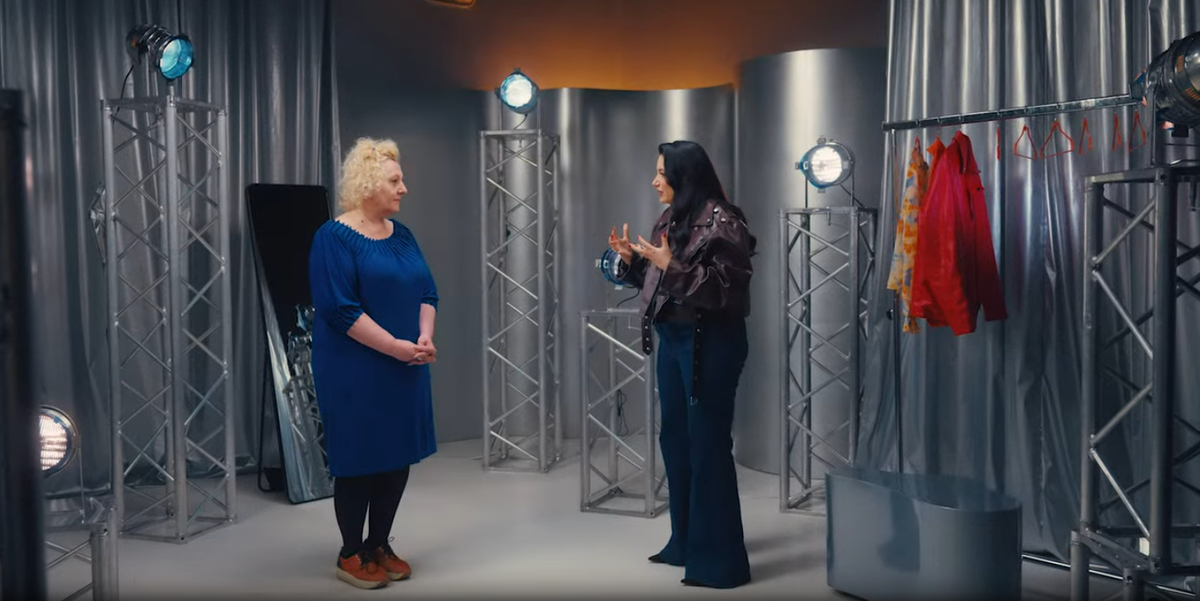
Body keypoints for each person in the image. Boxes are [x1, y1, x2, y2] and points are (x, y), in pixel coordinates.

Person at [608, 140, 757, 589]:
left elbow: (727, 291)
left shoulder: (725, 221)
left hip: (710, 343)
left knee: (707, 446)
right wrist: (634, 265)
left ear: (684, 175)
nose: (656, 181)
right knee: (675, 440)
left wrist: (669, 266)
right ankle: (686, 542)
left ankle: (719, 564)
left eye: (662, 172)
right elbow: (664, 280)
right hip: (673, 341)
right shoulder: (671, 218)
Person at [309, 137, 439, 590]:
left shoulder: (402, 236)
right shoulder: (333, 238)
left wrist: (423, 337)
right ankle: (350, 552)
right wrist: (396, 347)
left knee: (395, 455)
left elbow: (427, 292)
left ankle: (379, 543)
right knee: (359, 457)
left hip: (403, 364)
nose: (404, 188)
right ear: (368, 184)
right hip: (353, 368)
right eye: (395, 180)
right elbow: (340, 310)